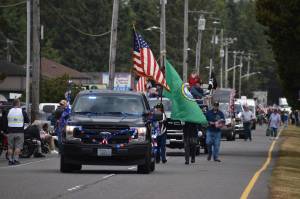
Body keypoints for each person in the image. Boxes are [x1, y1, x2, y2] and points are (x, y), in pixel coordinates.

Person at [5, 99, 29, 165]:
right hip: (20, 131)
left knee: (10, 147)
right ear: (18, 104)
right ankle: (15, 160)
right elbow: (27, 120)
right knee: (18, 147)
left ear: (13, 104)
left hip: (10, 131)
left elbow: (5, 121)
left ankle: (10, 160)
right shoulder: (22, 111)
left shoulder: (8, 111)